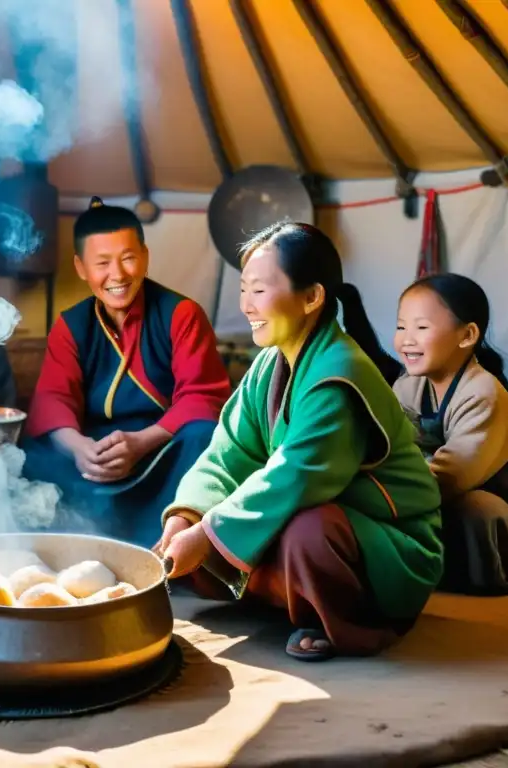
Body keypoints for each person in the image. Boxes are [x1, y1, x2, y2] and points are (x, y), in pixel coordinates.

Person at [158, 221, 443, 662]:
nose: (247, 306)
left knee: (307, 529)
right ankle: (283, 593)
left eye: (260, 290)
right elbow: (229, 450)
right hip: (327, 515)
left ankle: (352, 621)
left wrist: (208, 533)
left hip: (393, 541)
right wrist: (187, 516)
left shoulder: (340, 372)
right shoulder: (271, 361)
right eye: (243, 290)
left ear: (312, 297)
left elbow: (297, 474)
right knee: (209, 534)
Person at [20, 197, 232, 548]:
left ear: (145, 257)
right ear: (81, 267)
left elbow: (202, 396)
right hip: (97, 450)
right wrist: (79, 448)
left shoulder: (181, 314)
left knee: (204, 436)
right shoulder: (71, 325)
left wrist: (142, 442)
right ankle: (69, 548)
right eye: (102, 263)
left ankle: (169, 549)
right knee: (32, 454)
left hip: (163, 446)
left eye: (128, 258)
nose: (117, 275)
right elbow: (53, 401)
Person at [392, 273, 508, 595]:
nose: (406, 339)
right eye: (401, 327)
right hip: (435, 500)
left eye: (421, 328)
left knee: (475, 507)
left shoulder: (483, 392)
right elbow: (390, 448)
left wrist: (384, 488)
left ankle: (480, 579)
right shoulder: (406, 386)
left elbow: (450, 477)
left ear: (467, 335)